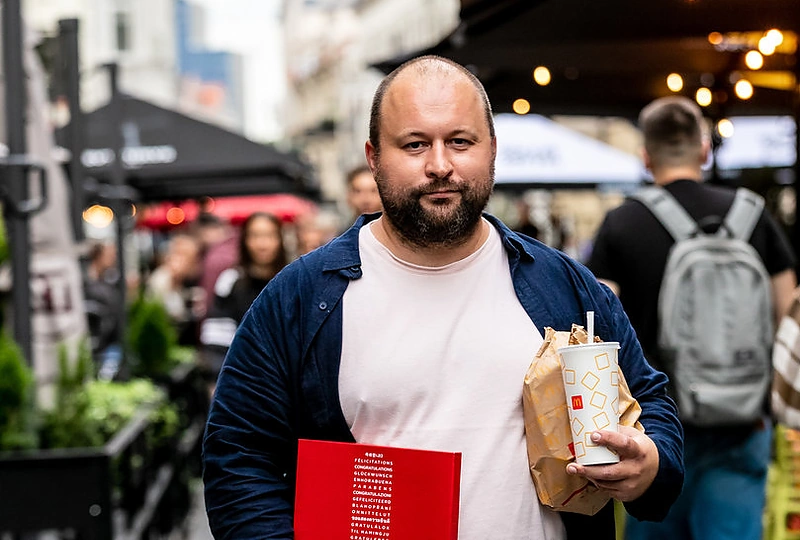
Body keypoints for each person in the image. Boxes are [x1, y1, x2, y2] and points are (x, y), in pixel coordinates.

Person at [203, 55, 683, 540]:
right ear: (373, 158)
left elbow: (649, 401)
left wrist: (650, 463)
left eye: (460, 142)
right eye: (414, 144)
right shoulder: (301, 300)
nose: (439, 165)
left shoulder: (564, 286)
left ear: (491, 150)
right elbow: (238, 459)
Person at [588, 96, 797, 540]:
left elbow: (597, 334)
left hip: (655, 429)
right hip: (741, 417)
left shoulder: (621, 224)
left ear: (646, 157)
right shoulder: (754, 214)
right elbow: (788, 317)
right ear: (704, 150)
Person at [199, 211, 287, 390]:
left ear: (280, 240)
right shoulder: (231, 281)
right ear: (245, 241)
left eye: (269, 236)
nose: (262, 244)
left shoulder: (292, 281)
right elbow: (217, 342)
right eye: (255, 236)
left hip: (287, 384)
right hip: (244, 384)